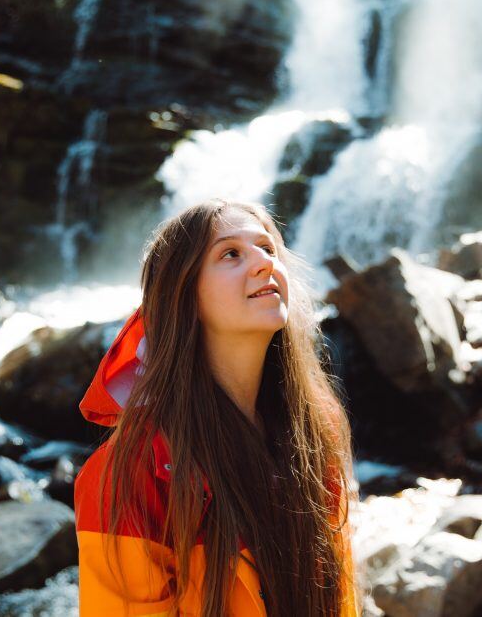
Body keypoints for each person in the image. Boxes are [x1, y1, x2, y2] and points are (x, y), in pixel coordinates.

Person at [74, 198, 359, 616]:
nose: (265, 264)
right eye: (231, 254)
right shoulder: (130, 472)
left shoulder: (315, 431)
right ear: (183, 297)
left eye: (268, 248)